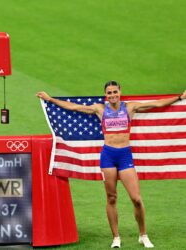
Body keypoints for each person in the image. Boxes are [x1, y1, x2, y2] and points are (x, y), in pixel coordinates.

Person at [36, 81, 186, 248]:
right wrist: (50, 99)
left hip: (125, 156)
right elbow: (73, 107)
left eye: (115, 91)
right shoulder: (100, 109)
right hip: (108, 156)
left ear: (120, 92)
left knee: (136, 199)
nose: (113, 95)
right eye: (109, 93)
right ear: (105, 95)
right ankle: (116, 237)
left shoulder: (130, 108)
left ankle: (143, 235)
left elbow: (157, 104)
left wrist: (179, 97)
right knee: (111, 197)